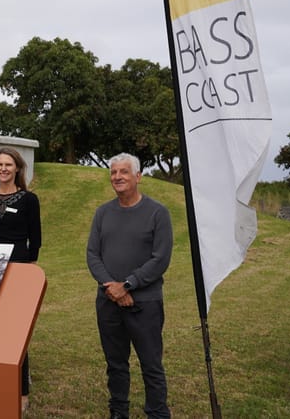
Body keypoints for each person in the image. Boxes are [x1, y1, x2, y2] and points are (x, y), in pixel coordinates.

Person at [87, 153, 173, 419]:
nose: (117, 177)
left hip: (144, 303)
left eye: (124, 172)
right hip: (108, 301)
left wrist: (127, 285)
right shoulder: (103, 213)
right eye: (113, 172)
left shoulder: (158, 213)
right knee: (115, 363)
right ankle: (118, 411)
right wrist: (112, 287)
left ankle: (157, 413)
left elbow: (160, 259)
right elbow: (93, 255)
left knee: (151, 364)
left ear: (138, 176)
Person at [0, 147, 41, 410]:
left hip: (19, 267)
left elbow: (35, 238)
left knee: (16, 333)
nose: (3, 169)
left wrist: (28, 268)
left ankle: (22, 393)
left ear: (17, 167)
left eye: (8, 164)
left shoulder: (29, 200)